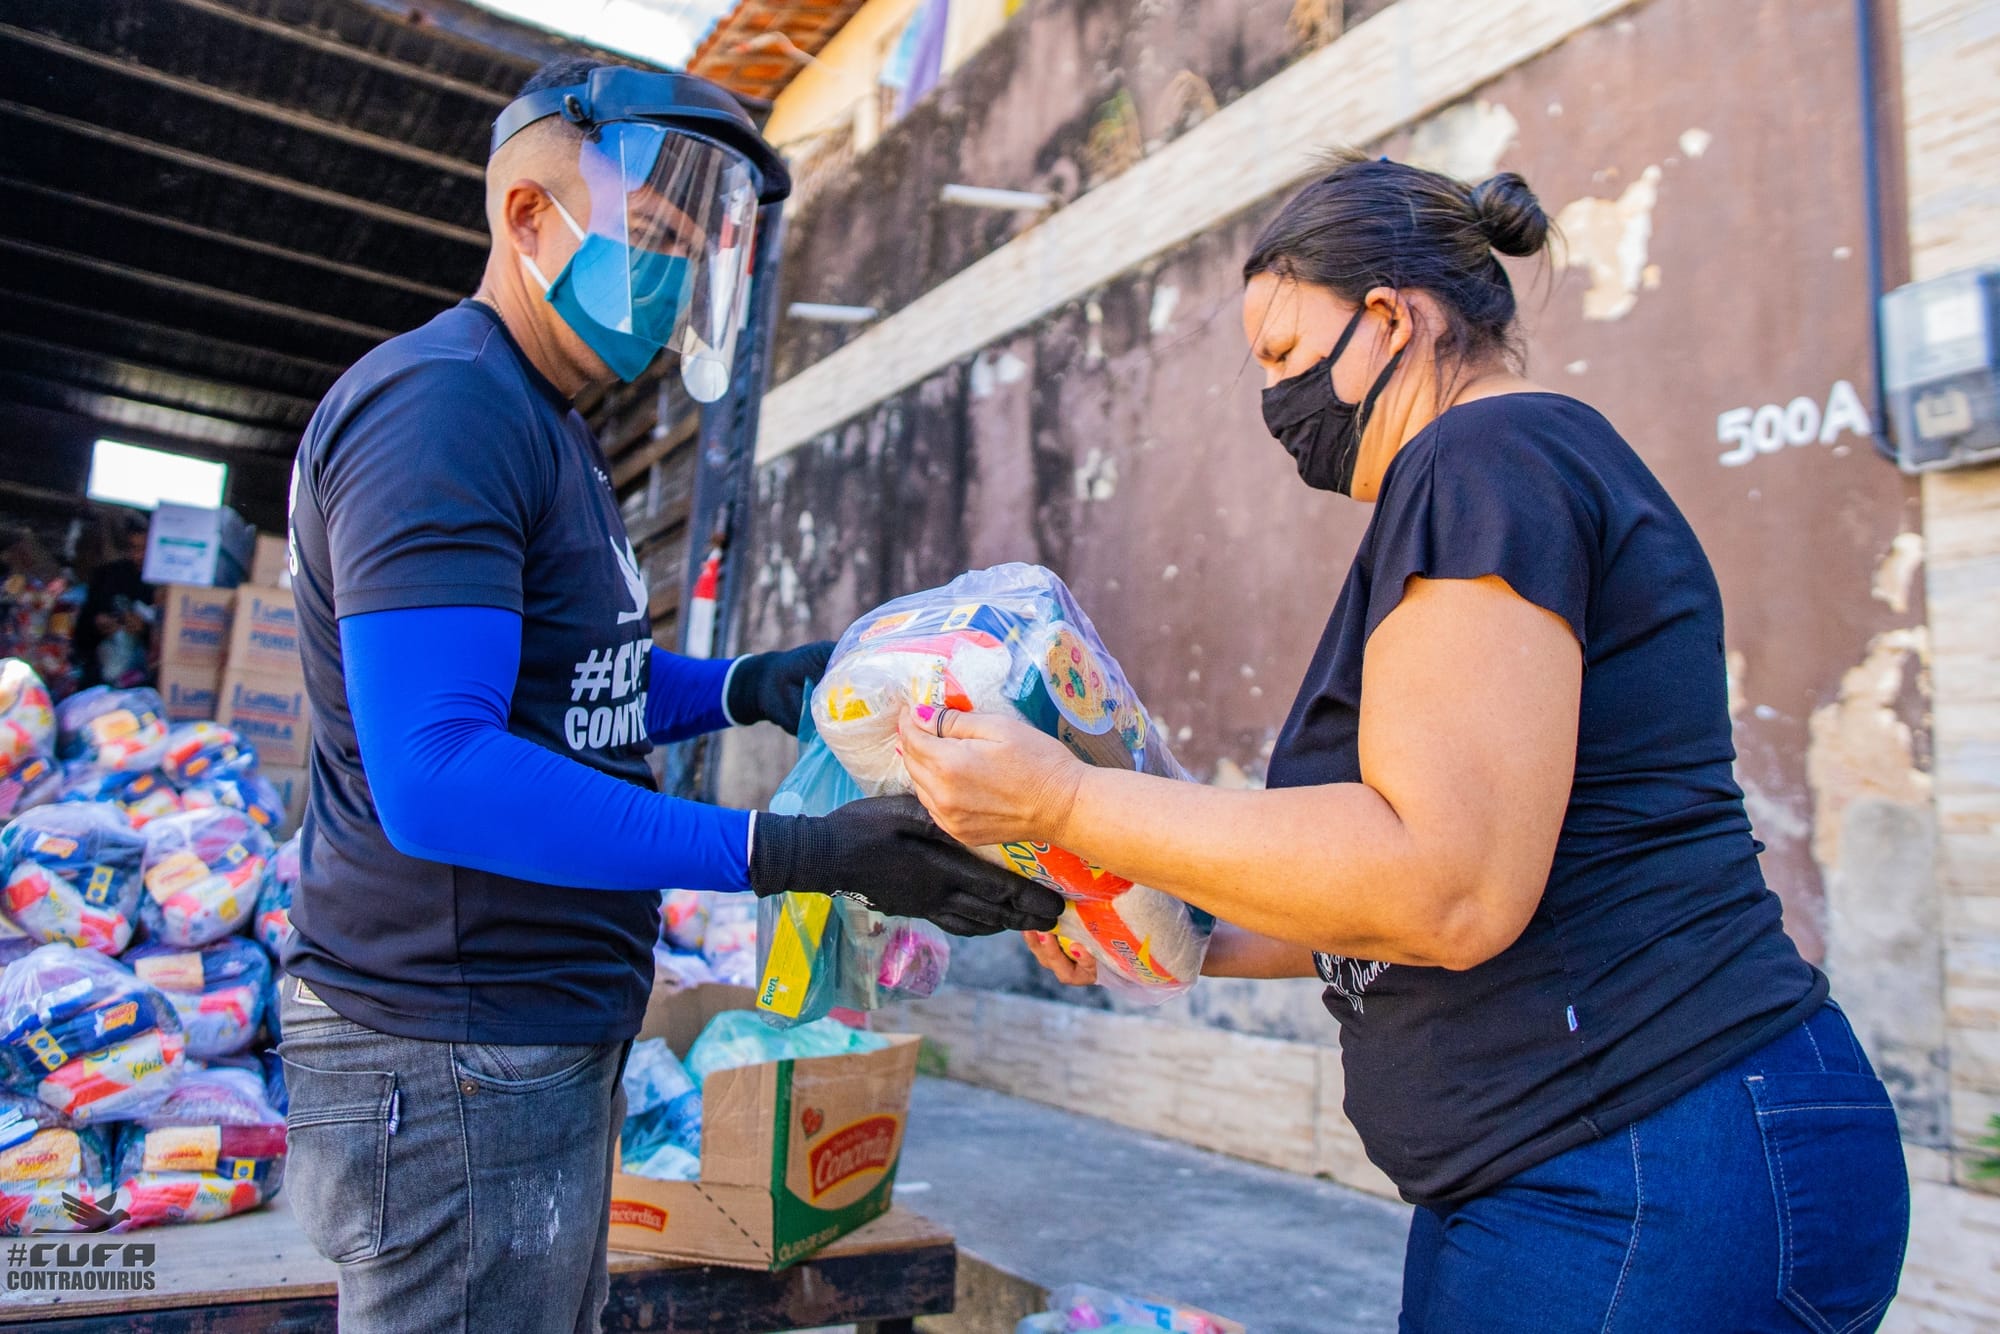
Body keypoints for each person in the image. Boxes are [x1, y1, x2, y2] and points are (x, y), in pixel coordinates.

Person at [896, 153, 1911, 1331]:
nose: (1272, 398)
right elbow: (1386, 888)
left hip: (1639, 1159)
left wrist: (1065, 801)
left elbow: (1443, 881)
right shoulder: (1493, 475)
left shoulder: (1482, 459)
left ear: (1388, 318)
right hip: (1600, 1160)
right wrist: (1167, 929)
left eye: (1282, 354)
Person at [278, 58, 1062, 1334]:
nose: (668, 282)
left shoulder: (542, 419)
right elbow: (441, 769)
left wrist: (745, 686)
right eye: (647, 237)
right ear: (527, 218)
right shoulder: (442, 408)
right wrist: (788, 849)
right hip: (450, 1047)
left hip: (518, 1039)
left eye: (690, 255)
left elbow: (573, 687)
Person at [72, 512, 152, 689]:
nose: (138, 556)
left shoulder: (167, 587)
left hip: (144, 685)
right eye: (134, 548)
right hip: (100, 681)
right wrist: (99, 626)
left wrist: (145, 630)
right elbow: (80, 638)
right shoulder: (108, 576)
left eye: (145, 549)